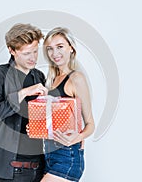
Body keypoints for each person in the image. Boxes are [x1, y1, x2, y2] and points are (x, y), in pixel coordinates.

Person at [0, 23, 49, 182]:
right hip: (13, 169)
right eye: (26, 53)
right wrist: (24, 92)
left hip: (40, 166)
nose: (33, 58)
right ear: (11, 50)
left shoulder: (39, 76)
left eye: (35, 51)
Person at [41, 27, 95, 182]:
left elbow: (91, 124)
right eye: (50, 49)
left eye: (60, 47)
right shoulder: (51, 81)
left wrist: (77, 137)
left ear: (71, 48)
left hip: (68, 155)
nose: (54, 53)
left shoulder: (76, 78)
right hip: (49, 154)